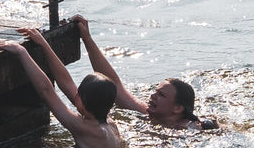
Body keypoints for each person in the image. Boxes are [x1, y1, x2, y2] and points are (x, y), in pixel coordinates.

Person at [70, 14, 218, 131]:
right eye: (156, 91)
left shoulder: (190, 129)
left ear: (178, 108)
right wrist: (87, 38)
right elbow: (114, 83)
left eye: (161, 95)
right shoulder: (146, 113)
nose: (153, 95)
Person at [0, 26, 125, 148]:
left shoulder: (85, 128)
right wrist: (44, 44)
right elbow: (66, 82)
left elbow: (47, 92)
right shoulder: (109, 123)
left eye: (78, 93)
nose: (75, 93)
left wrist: (22, 52)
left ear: (84, 102)